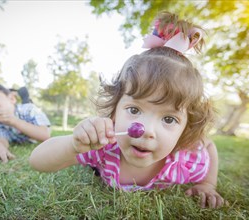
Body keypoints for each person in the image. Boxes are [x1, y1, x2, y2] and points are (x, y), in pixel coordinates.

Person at [29, 11, 225, 208]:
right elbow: (37, 161)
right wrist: (72, 144)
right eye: (134, 110)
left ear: (185, 129)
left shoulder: (186, 161)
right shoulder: (104, 146)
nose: (147, 130)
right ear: (115, 110)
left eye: (168, 119)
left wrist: (207, 183)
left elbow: (207, 145)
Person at [0, 82, 51, 164]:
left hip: (30, 122)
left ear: (11, 99)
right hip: (20, 139)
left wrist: (14, 121)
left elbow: (44, 135)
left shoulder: (29, 110)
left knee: (27, 102)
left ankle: (25, 97)